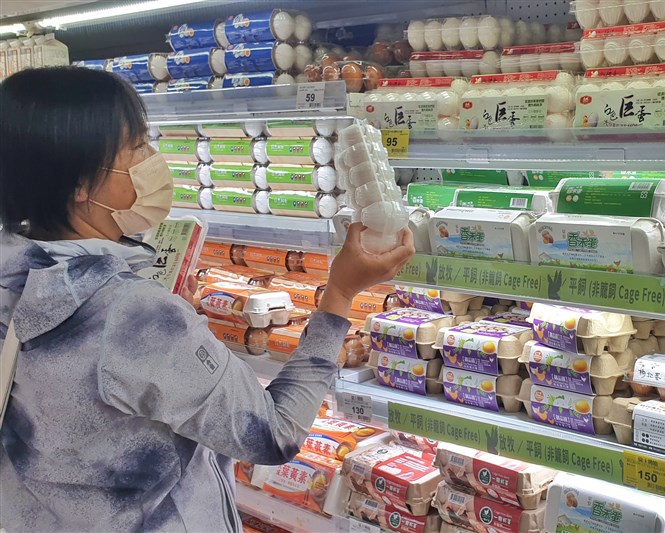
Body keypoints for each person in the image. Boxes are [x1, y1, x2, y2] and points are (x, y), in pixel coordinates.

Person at [0, 67, 414, 531]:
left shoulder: (15, 271)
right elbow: (273, 433)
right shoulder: (127, 312)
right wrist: (339, 294)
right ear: (79, 182)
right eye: (137, 146)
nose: (153, 159)